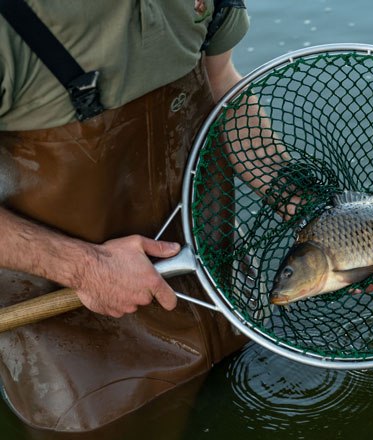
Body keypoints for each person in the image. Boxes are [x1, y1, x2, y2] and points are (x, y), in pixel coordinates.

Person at [0, 0, 253, 433]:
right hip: (78, 348)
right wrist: (86, 267)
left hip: (224, 295)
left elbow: (221, 83)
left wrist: (299, 199)